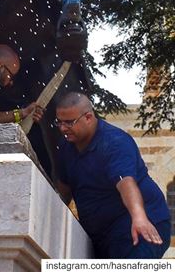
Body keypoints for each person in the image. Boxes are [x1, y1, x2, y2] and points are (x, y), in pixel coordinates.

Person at [55, 92, 171, 259]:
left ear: (88, 117)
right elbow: (64, 189)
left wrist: (139, 217)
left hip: (139, 226)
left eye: (69, 122)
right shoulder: (66, 148)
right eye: (59, 122)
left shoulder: (115, 142)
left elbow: (126, 183)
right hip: (101, 235)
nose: (63, 128)